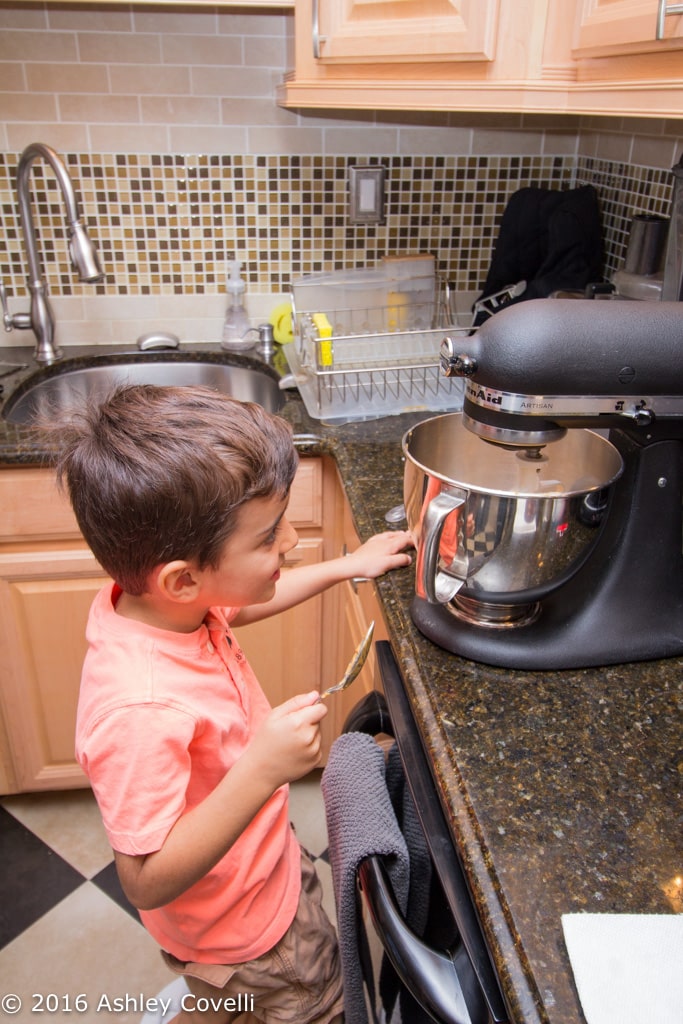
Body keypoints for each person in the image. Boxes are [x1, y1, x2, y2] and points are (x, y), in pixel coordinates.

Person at [53, 384, 413, 1024]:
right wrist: (262, 770)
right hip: (249, 933)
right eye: (270, 535)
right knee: (314, 1002)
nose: (293, 542)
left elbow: (240, 600)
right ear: (182, 578)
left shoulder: (161, 607)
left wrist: (346, 565)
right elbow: (145, 878)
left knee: (226, 1001)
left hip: (249, 871)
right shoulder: (140, 707)